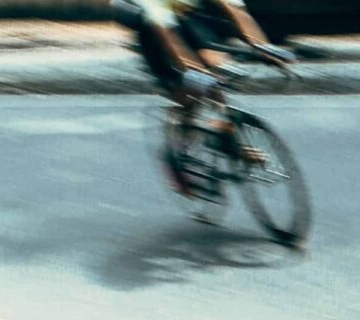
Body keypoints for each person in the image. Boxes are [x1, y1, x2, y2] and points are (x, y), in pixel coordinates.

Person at [111, 0, 295, 196]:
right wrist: (193, 72)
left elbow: (234, 8)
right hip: (154, 31)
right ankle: (177, 154)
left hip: (186, 19)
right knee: (189, 90)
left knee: (217, 65)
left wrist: (264, 47)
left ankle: (227, 133)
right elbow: (167, 35)